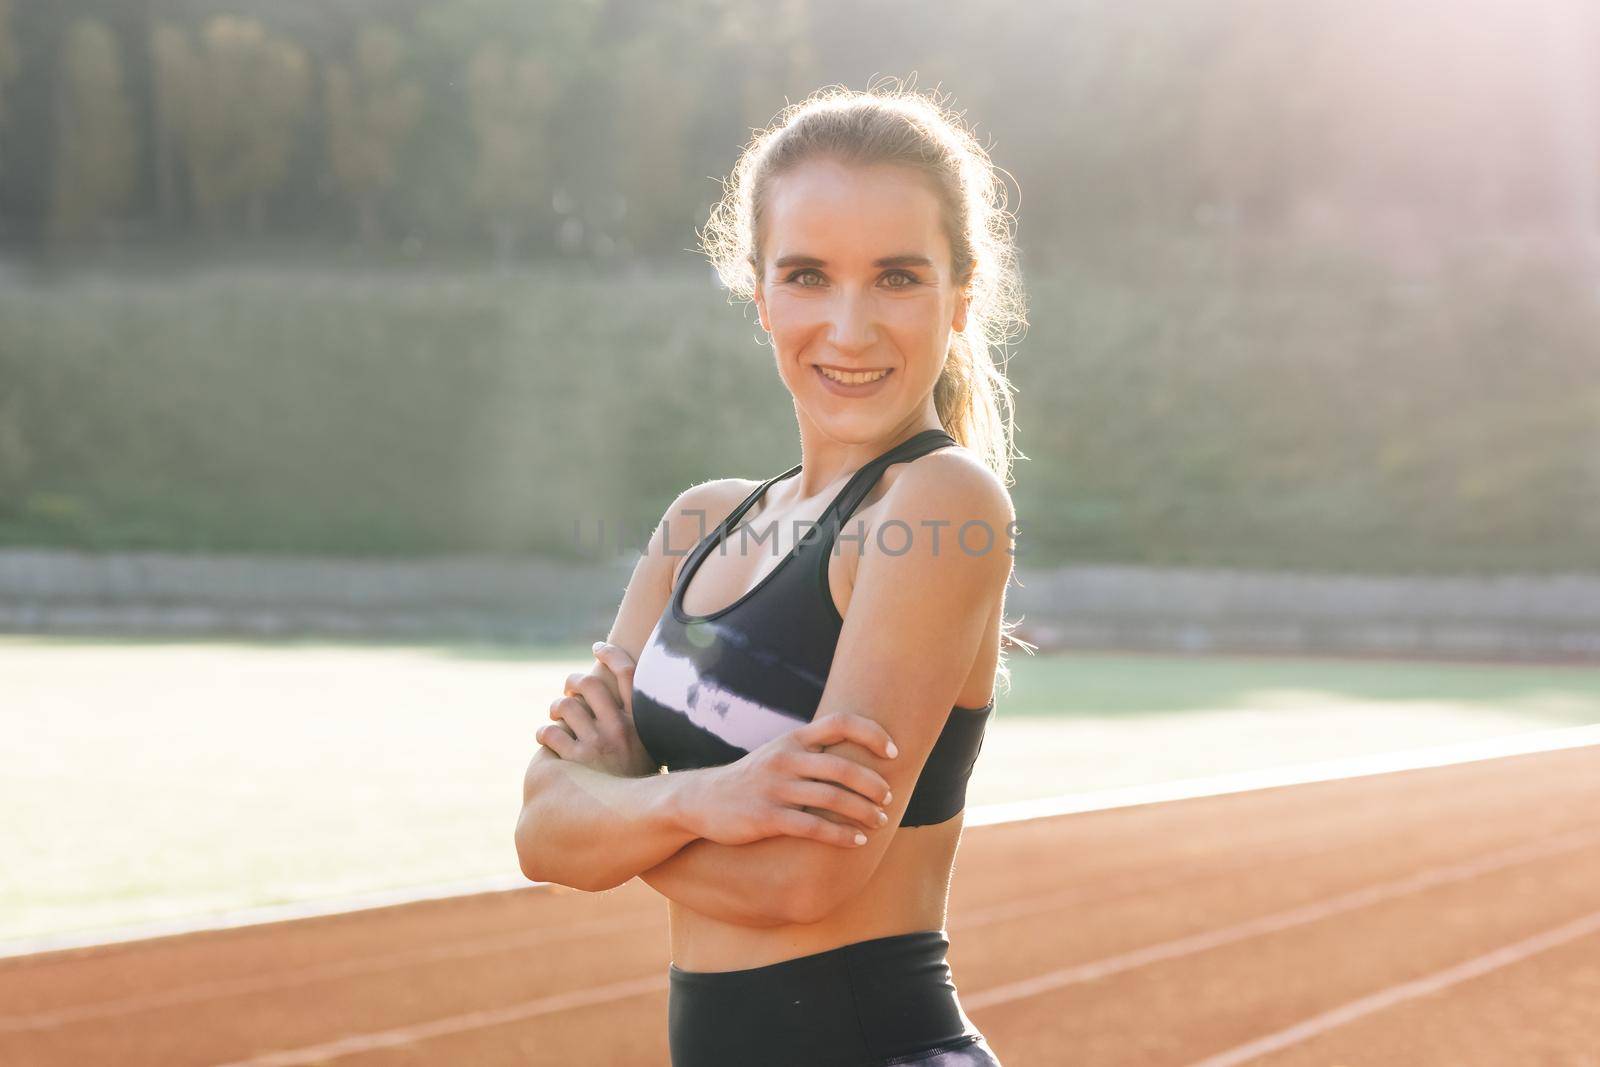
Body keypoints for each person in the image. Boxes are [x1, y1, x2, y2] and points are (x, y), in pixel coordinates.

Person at [515, 80, 1028, 1066]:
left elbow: (799, 876)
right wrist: (706, 801)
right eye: (806, 275)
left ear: (960, 299)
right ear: (758, 294)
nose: (848, 326)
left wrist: (614, 816)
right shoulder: (698, 524)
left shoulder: (938, 503)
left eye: (895, 277)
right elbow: (539, 828)